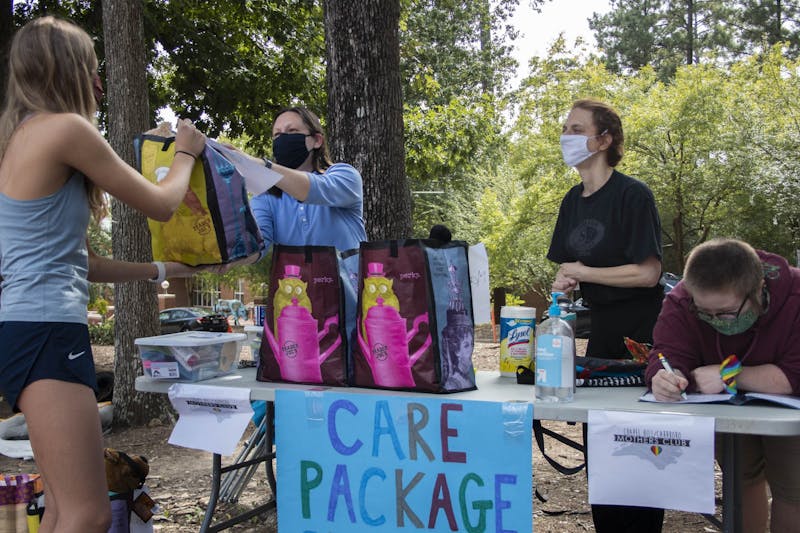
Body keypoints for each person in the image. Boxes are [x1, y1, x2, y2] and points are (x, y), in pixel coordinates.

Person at [0, 17, 206, 533]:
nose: (99, 81)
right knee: (90, 513)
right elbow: (161, 204)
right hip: (47, 330)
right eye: (91, 68)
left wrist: (162, 268)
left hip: (29, 330)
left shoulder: (20, 139)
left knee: (63, 509)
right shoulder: (64, 129)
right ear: (64, 69)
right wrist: (184, 154)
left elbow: (80, 262)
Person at [546, 98, 665, 532]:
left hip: (642, 339)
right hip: (597, 342)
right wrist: (567, 282)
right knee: (601, 453)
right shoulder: (572, 202)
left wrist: (584, 271)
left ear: (605, 139)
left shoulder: (633, 195)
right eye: (565, 127)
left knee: (638, 457)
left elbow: (649, 273)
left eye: (576, 128)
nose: (566, 135)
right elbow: (570, 268)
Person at [647, 238, 800, 533]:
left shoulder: (794, 294)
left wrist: (728, 374)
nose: (717, 321)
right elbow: (666, 350)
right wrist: (666, 375)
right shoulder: (683, 298)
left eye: (727, 313)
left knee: (793, 488)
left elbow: (793, 377)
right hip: (725, 409)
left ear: (758, 289)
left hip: (790, 413)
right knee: (740, 481)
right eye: (705, 313)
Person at [248, 106, 366, 252]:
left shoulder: (345, 176)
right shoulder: (265, 195)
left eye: (292, 131)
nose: (283, 139)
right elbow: (256, 245)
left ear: (317, 140)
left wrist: (263, 165)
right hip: (291, 276)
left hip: (349, 275)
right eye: (277, 135)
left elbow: (314, 188)